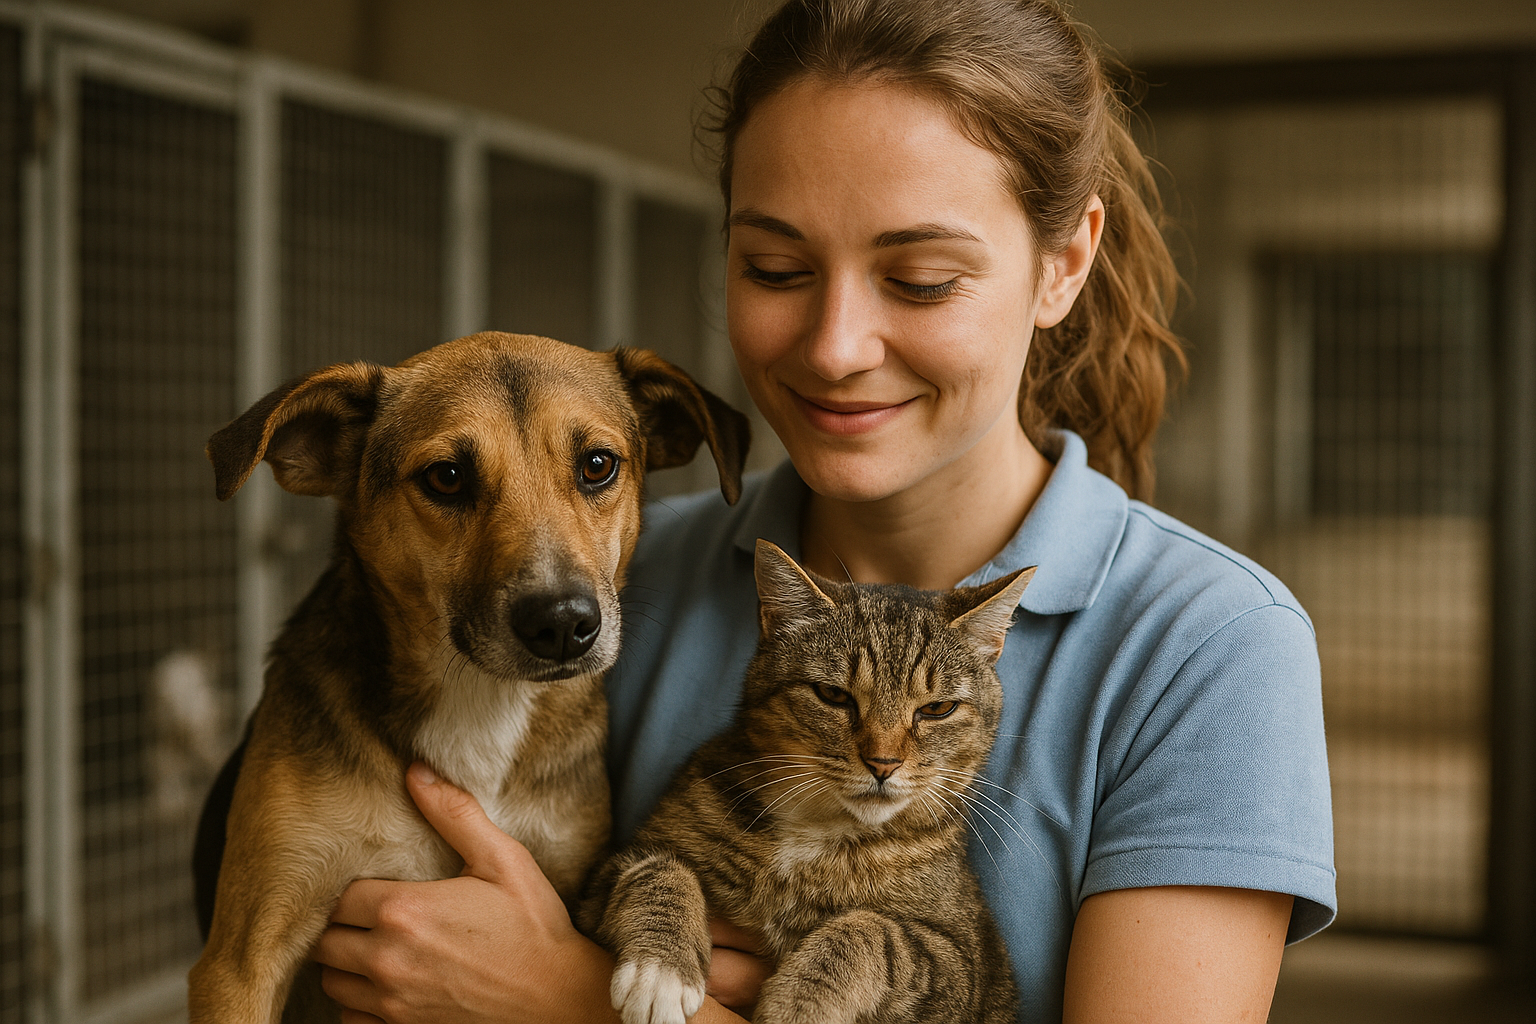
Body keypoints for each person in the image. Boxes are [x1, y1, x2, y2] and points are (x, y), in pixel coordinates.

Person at [311, 1, 1335, 1021]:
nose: (836, 346)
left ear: (1063, 264)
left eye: (923, 280)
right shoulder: (606, 584)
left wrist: (565, 999)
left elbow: (519, 976)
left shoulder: (1211, 648)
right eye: (777, 269)